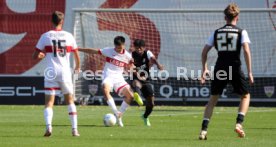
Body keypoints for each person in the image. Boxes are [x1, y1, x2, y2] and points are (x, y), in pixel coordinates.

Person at [199, 3, 254, 140]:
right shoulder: (242, 32)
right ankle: (239, 124)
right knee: (245, 96)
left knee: (213, 99)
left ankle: (203, 131)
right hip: (235, 67)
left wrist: (204, 69)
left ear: (225, 17)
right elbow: (246, 51)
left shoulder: (216, 32)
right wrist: (250, 72)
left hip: (220, 68)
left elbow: (204, 51)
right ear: (237, 17)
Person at [32, 11, 81, 137]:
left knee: (49, 102)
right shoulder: (69, 36)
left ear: (52, 21)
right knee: (70, 101)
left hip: (50, 71)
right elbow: (76, 55)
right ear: (62, 21)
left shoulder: (46, 36)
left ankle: (49, 127)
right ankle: (74, 129)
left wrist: (42, 55)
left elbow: (35, 55)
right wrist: (78, 67)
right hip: (64, 71)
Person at [78, 36, 143, 127]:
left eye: (120, 47)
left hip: (119, 78)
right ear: (114, 45)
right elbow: (93, 51)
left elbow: (132, 66)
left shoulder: (128, 56)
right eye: (116, 47)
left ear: (124, 45)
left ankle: (119, 116)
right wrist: (78, 49)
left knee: (130, 96)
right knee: (105, 89)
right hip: (108, 75)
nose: (118, 49)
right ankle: (116, 112)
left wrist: (136, 71)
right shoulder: (109, 51)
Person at [131, 39, 164, 126]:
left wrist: (158, 65)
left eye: (140, 48)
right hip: (136, 77)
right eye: (137, 48)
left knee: (151, 103)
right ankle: (138, 97)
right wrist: (139, 76)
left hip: (146, 79)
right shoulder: (132, 55)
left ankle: (145, 116)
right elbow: (132, 68)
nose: (138, 50)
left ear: (143, 48)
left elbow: (153, 58)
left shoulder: (147, 53)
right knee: (136, 83)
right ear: (134, 47)